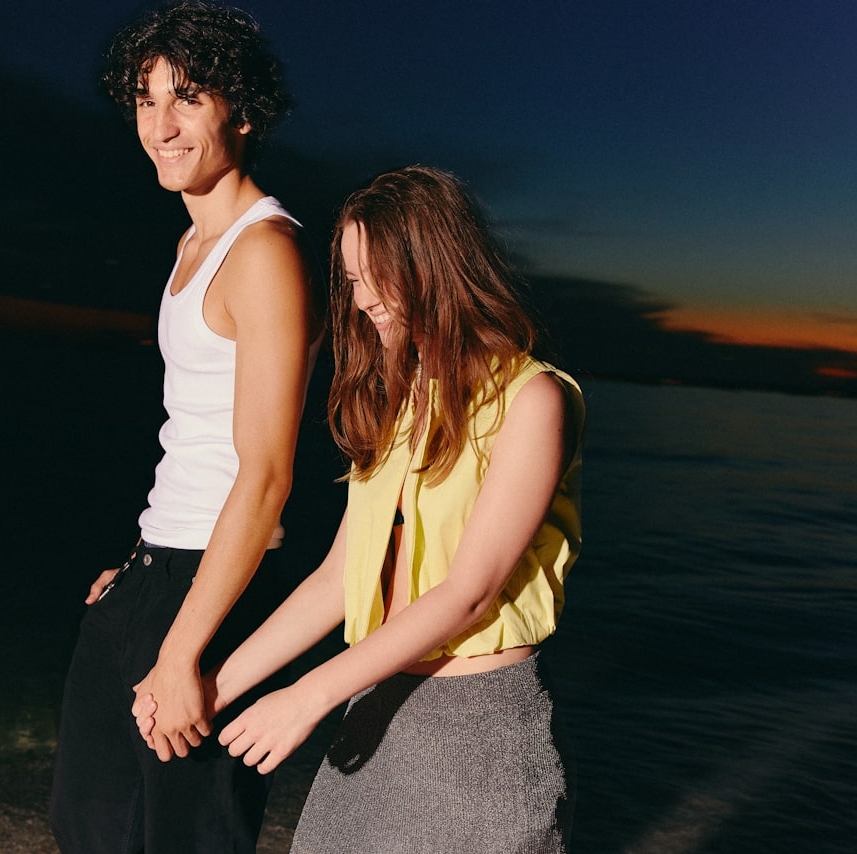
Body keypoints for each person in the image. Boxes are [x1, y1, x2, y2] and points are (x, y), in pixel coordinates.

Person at [137, 165, 585, 852]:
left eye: (378, 272)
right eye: (350, 278)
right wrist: (205, 687)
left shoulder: (534, 400)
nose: (363, 297)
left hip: (481, 729)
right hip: (375, 706)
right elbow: (337, 578)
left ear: (436, 264)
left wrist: (307, 695)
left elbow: (469, 594)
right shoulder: (402, 402)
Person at [49, 3, 321, 852]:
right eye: (144, 99)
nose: (160, 125)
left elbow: (267, 476)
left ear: (242, 112)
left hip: (216, 588)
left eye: (187, 98)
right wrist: (136, 573)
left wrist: (181, 648)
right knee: (90, 825)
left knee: (189, 837)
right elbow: (192, 435)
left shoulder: (265, 252)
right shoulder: (191, 244)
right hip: (158, 567)